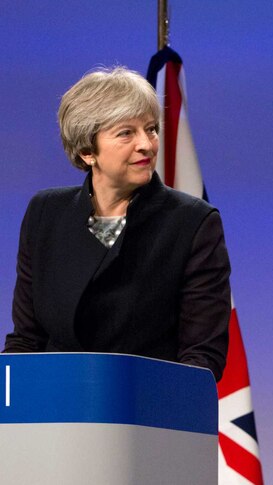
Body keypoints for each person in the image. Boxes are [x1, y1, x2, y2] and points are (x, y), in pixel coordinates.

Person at [3, 67, 232, 379]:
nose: (147, 145)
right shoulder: (45, 213)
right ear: (87, 151)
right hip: (55, 409)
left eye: (151, 129)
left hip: (146, 412)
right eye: (126, 133)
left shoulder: (192, 224)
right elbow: (26, 340)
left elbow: (202, 356)